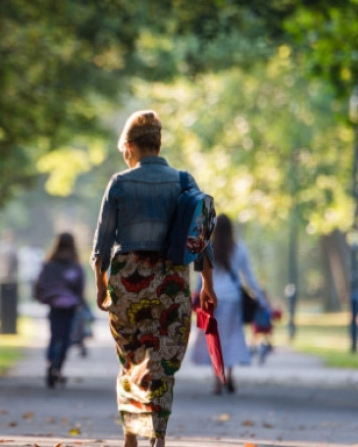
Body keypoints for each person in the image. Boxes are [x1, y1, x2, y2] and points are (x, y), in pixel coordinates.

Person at [90, 110, 217, 447]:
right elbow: (199, 234)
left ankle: (131, 435)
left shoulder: (119, 183)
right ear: (158, 144)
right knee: (162, 362)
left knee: (132, 359)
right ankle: (157, 438)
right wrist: (207, 283)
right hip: (169, 281)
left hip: (128, 279)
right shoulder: (183, 181)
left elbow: (101, 245)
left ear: (130, 145)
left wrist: (101, 287)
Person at [191, 213, 269, 394]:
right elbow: (250, 277)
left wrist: (196, 297)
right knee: (232, 338)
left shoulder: (206, 247)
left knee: (213, 338)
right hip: (233, 300)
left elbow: (200, 278)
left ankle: (217, 381)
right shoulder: (239, 249)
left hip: (211, 299)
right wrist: (262, 300)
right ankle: (229, 376)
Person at [34, 232, 85, 388]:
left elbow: (40, 284)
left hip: (54, 304)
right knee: (65, 338)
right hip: (69, 306)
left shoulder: (50, 263)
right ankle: (58, 368)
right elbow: (80, 286)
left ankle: (50, 362)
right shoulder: (75, 265)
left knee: (54, 335)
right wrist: (79, 302)